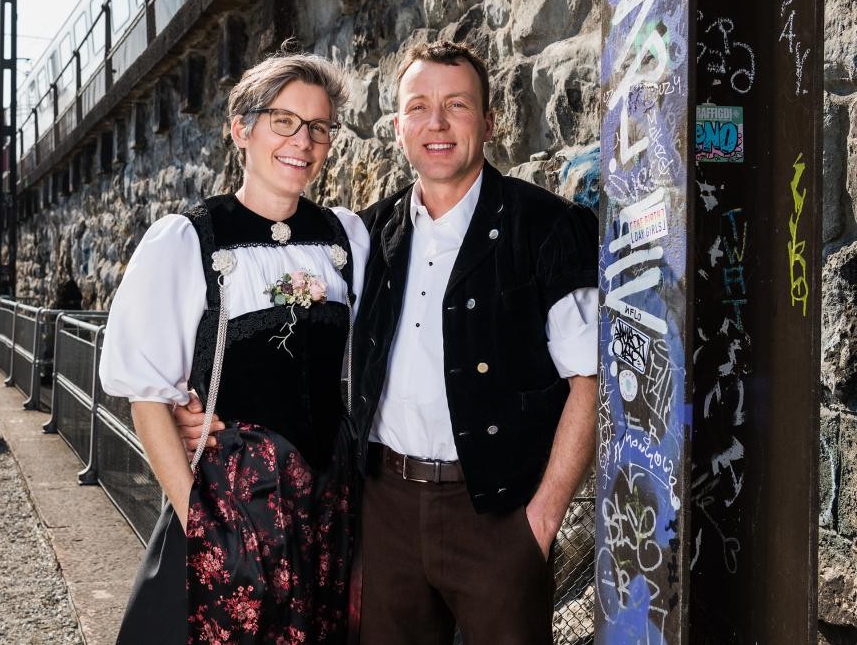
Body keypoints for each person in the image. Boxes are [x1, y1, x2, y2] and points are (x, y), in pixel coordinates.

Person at [177, 40, 599, 644]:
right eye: (418, 107)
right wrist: (198, 405)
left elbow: (589, 380)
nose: (437, 123)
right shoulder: (367, 234)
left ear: (489, 121)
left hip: (499, 515)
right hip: (383, 512)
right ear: (398, 127)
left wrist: (541, 519)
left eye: (457, 105)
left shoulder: (546, 226)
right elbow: (300, 347)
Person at [99, 51, 369, 644]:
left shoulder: (345, 237)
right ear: (241, 129)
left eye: (318, 127)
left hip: (327, 509)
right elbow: (148, 397)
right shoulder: (189, 240)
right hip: (234, 507)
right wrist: (201, 525)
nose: (302, 141)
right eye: (283, 121)